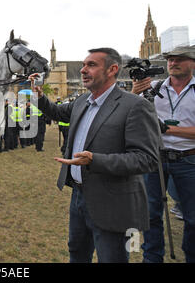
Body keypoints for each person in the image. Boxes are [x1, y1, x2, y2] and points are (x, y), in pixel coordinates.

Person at [30, 47, 160, 263]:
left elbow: (146, 158)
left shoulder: (135, 106)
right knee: (77, 253)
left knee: (111, 257)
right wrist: (40, 95)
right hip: (80, 197)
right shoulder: (82, 101)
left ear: (112, 69)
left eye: (91, 65)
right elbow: (56, 112)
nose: (83, 70)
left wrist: (95, 160)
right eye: (83, 65)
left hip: (113, 202)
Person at [131, 45, 195, 263]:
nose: (173, 63)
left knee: (193, 216)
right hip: (155, 158)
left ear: (192, 62)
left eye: (179, 59)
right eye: (170, 59)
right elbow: (130, 116)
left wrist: (167, 129)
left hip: (189, 159)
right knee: (150, 214)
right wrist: (134, 93)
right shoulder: (154, 89)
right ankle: (152, 258)